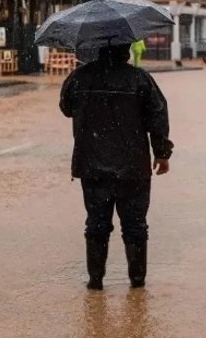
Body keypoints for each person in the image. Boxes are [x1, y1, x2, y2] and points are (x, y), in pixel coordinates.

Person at [60, 43, 174, 290]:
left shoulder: (79, 78)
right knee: (135, 225)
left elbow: (66, 109)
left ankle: (95, 281)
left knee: (97, 223)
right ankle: (137, 283)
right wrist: (162, 153)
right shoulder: (140, 79)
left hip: (92, 165)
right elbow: (158, 115)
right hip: (133, 167)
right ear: (126, 49)